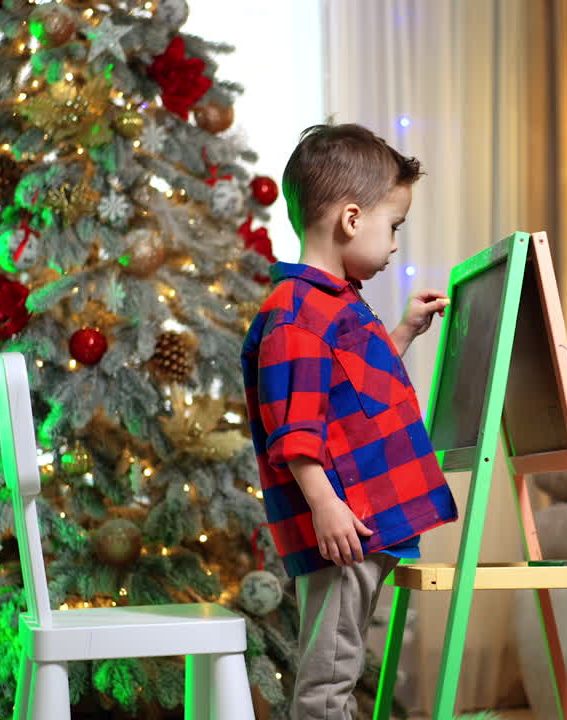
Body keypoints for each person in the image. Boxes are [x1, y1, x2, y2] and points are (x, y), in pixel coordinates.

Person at [241, 122, 458, 719]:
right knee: (330, 676)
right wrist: (325, 504)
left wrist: (405, 331)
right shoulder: (296, 315)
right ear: (352, 220)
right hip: (347, 526)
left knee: (340, 663)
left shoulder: (332, 304)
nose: (394, 246)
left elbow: (353, 391)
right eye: (394, 228)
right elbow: (296, 424)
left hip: (361, 520)